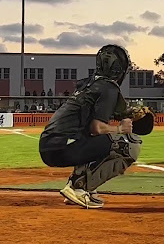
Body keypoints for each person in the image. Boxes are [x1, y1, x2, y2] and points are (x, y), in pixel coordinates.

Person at [39, 44, 142, 209]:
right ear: (120, 69)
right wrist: (120, 129)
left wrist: (126, 114)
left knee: (96, 139)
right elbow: (96, 127)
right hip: (62, 147)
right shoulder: (109, 88)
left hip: (50, 146)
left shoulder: (88, 85)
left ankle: (80, 185)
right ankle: (79, 188)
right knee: (128, 145)